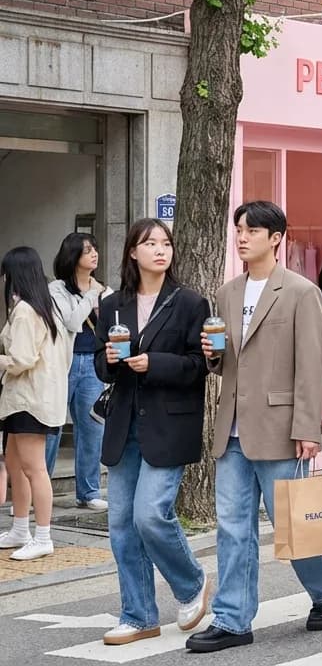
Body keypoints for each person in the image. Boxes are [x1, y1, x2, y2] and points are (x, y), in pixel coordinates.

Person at [188, 202, 322, 653]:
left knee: (292, 526)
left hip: (280, 427)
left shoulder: (300, 291)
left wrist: (309, 428)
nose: (242, 237)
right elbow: (228, 366)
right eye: (238, 229)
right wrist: (213, 356)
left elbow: (311, 365)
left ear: (276, 238)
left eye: (252, 230)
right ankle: (233, 619)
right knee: (232, 528)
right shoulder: (228, 292)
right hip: (232, 431)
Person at [92, 219, 210, 646]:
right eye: (150, 243)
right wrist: (109, 359)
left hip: (169, 424)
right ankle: (138, 614)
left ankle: (192, 582)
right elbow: (102, 367)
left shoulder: (190, 303)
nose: (160, 250)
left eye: (166, 243)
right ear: (132, 253)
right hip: (125, 425)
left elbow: (201, 365)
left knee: (150, 515)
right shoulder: (113, 304)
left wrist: (154, 363)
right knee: (122, 525)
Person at [0, 247, 69, 562]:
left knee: (33, 468)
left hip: (29, 400)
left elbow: (21, 360)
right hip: (31, 399)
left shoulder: (27, 310)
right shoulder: (46, 306)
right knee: (15, 464)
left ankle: (42, 536)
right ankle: (20, 529)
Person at [47, 232, 110, 510]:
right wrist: (91, 295)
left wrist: (99, 294)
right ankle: (40, 489)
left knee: (92, 427)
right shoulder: (57, 290)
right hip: (65, 361)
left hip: (92, 363)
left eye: (95, 248)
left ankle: (89, 491)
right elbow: (72, 322)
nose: (94, 254)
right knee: (52, 427)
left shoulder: (104, 290)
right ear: (73, 256)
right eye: (87, 250)